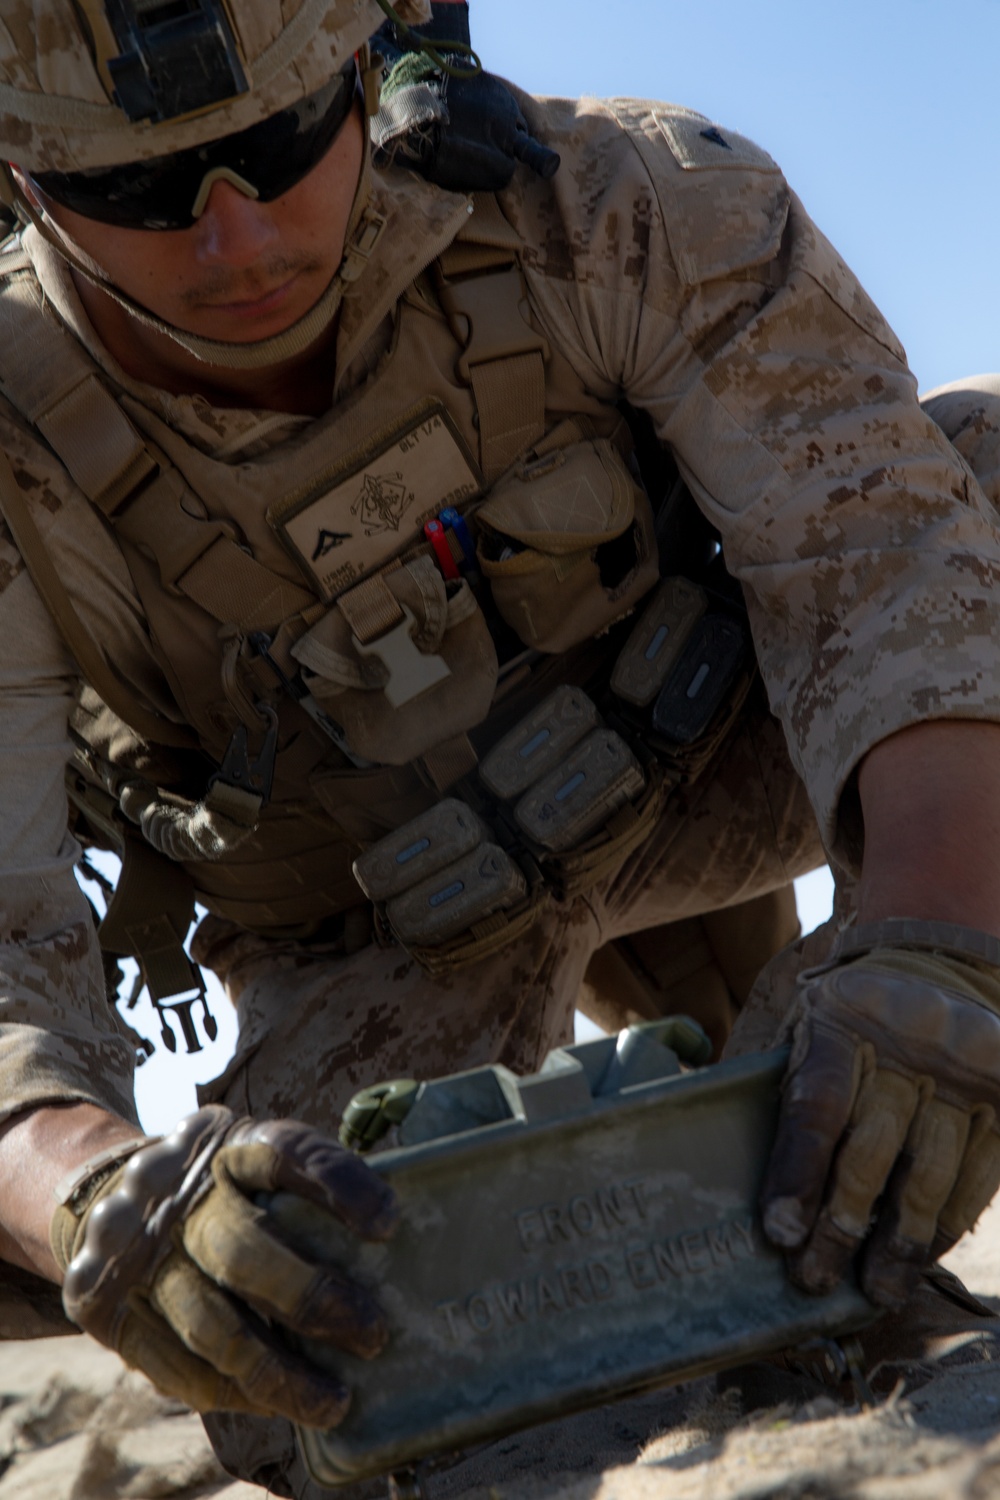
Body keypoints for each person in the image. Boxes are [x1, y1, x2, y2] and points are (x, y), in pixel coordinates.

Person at [0, 0, 999, 1493]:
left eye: (278, 147)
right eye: (140, 196)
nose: (239, 239)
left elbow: (888, 562)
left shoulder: (612, 200)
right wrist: (91, 1194)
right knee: (307, 1344)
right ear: (21, 179)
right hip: (385, 934)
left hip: (720, 755)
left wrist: (944, 945)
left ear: (360, 77)